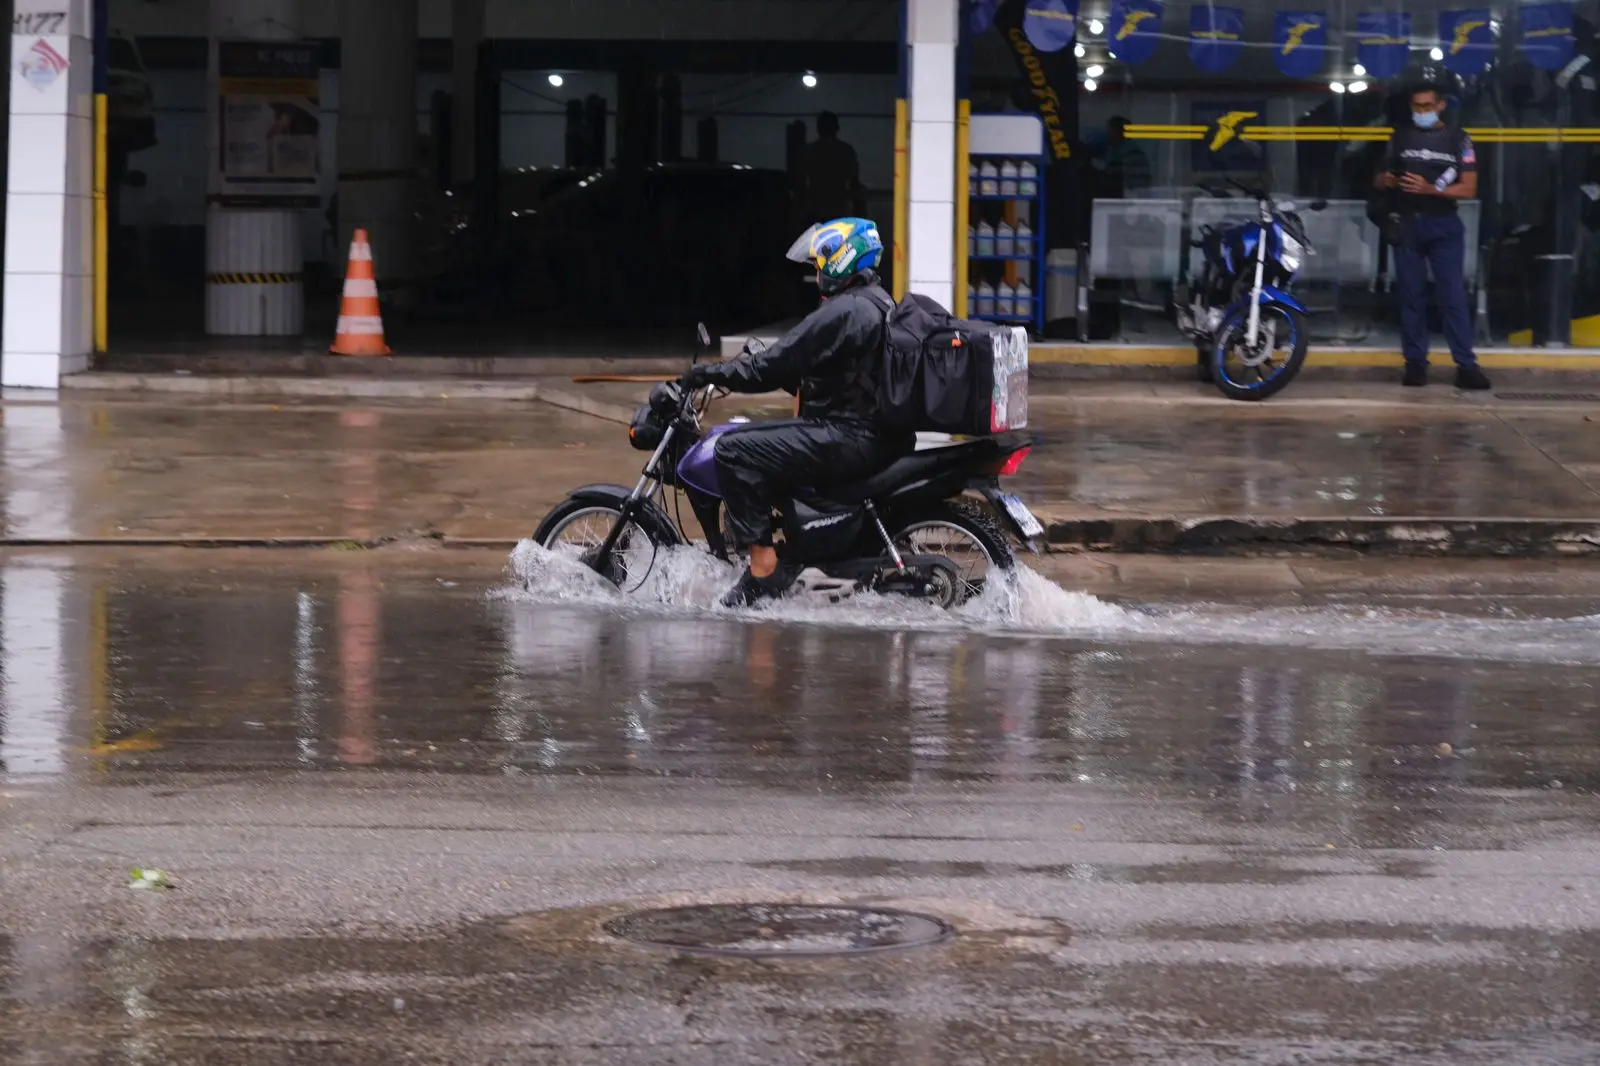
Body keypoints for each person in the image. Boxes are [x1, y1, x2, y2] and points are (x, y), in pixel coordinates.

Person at [678, 217, 908, 607]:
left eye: (821, 261)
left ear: (843, 259)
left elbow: (774, 363)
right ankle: (796, 549)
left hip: (848, 437)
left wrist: (707, 373)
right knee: (770, 441)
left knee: (734, 449)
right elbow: (837, 373)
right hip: (869, 432)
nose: (816, 270)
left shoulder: (846, 310)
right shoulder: (876, 301)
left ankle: (763, 569)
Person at [1374, 85, 1492, 389]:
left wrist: (1431, 189)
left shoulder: (1459, 138)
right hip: (1408, 223)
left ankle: (1466, 366)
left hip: (1443, 224)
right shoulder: (1399, 136)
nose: (1421, 112)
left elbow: (1469, 188)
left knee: (1451, 296)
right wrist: (1387, 180)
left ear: (1440, 106)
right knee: (1411, 296)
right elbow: (1378, 177)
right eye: (1417, 106)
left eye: (1427, 106)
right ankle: (1415, 364)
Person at [797, 111, 866, 224]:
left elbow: (800, 183)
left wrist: (800, 210)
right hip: (838, 209)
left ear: (818, 129)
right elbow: (854, 183)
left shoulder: (810, 151)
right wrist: (859, 209)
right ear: (836, 128)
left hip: (814, 210)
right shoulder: (845, 151)